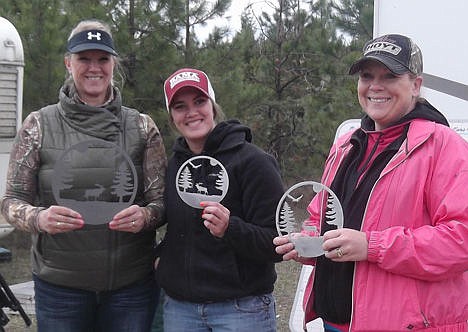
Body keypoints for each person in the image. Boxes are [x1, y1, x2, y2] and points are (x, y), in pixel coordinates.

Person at [274, 34, 468, 331]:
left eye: (390, 75)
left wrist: (372, 246)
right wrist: (308, 242)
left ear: (415, 85)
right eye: (367, 76)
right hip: (334, 323)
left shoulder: (444, 145)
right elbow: (320, 218)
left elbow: (461, 240)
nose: (375, 86)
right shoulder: (345, 146)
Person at [0, 19, 167, 332]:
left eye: (103, 59)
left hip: (130, 289)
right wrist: (39, 218)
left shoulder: (143, 127)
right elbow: (10, 202)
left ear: (113, 64)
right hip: (61, 289)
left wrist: (145, 216)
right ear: (68, 62)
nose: (94, 68)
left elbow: (161, 202)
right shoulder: (38, 125)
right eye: (84, 59)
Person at [155, 67, 284, 331]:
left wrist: (230, 228)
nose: (191, 112)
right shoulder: (174, 166)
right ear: (172, 117)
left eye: (199, 101)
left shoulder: (253, 162)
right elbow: (176, 230)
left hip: (241, 309)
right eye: (180, 106)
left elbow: (278, 242)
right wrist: (161, 258)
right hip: (181, 310)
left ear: (212, 106)